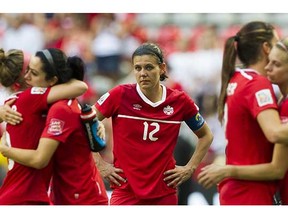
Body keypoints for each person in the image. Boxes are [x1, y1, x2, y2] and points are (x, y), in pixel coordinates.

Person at [93, 42, 213, 205]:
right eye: (138, 68)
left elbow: (206, 135)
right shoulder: (120, 95)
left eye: (149, 67)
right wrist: (100, 164)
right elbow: (85, 123)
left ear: (162, 68)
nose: (142, 73)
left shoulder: (179, 101)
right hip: (125, 192)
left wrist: (190, 167)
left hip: (164, 194)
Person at [0, 48, 108, 205]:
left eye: (34, 72)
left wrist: (93, 121)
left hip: (44, 194)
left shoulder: (22, 102)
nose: (29, 76)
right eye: (29, 71)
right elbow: (80, 86)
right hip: (27, 195)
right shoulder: (35, 99)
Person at [197, 21, 288, 205]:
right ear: (266, 48)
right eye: (276, 41)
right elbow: (274, 133)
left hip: (237, 190)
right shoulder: (257, 84)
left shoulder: (237, 79)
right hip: (251, 191)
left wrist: (228, 170)